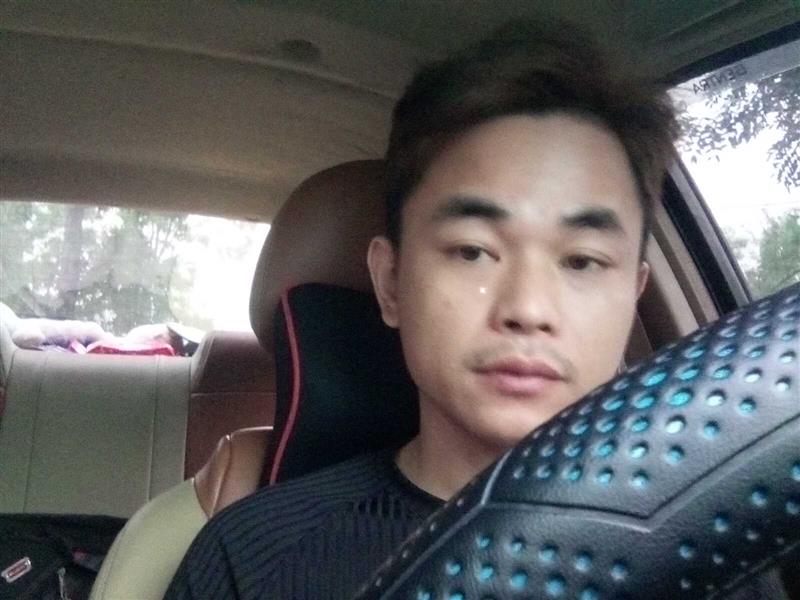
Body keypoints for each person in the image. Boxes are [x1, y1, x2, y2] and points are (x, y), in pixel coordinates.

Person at [165, 21, 678, 599]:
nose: (529, 309)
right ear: (391, 284)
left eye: (582, 261)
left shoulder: (710, 546)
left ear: (633, 295)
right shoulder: (254, 558)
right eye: (473, 251)